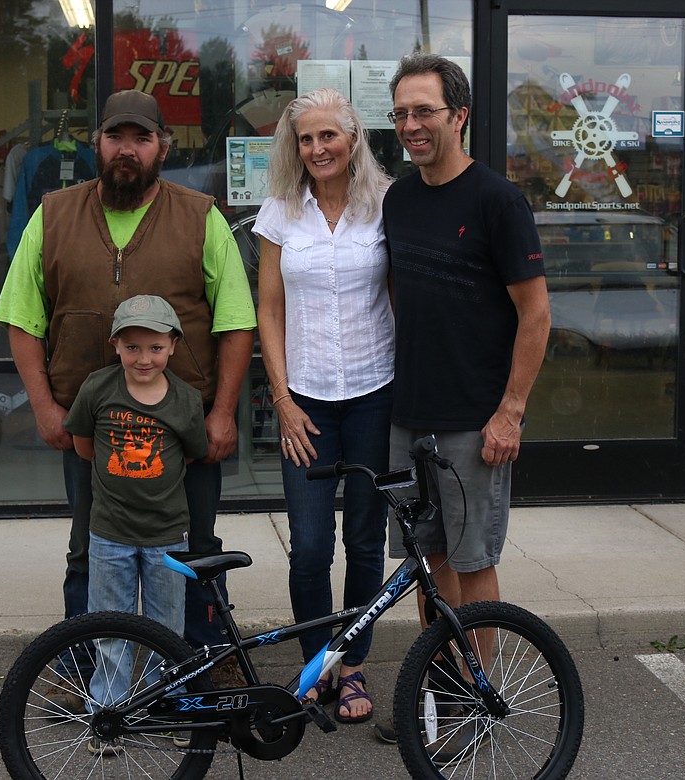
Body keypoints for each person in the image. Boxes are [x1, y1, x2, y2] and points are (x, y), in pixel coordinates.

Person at [0, 90, 257, 709]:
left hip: (181, 436)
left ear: (162, 145)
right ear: (98, 144)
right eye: (116, 138)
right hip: (90, 434)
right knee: (89, 550)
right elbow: (21, 320)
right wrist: (43, 408)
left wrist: (221, 413)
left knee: (190, 552)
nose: (127, 151)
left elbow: (236, 321)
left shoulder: (201, 217)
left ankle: (195, 669)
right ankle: (85, 669)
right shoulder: (52, 215)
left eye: (141, 139)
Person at [373, 54, 551, 746]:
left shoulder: (497, 202)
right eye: (402, 113)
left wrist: (510, 411)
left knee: (472, 564)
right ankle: (437, 698)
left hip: (474, 424)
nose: (411, 126)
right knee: (428, 563)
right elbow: (398, 296)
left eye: (425, 111)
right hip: (409, 415)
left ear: (459, 115)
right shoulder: (400, 199)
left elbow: (535, 316)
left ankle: (480, 702)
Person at [253, 87, 394, 725]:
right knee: (310, 546)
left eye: (328, 136)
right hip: (304, 400)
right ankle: (316, 663)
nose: (317, 149)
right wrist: (282, 401)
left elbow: (401, 295)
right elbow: (269, 309)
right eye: (306, 139)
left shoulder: (387, 206)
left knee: (365, 542)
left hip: (373, 395)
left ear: (353, 137)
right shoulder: (280, 213)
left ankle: (354, 664)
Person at [62, 296, 208, 722]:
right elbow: (83, 446)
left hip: (167, 535)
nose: (144, 358)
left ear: (173, 345)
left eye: (155, 348)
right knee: (110, 629)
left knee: (168, 631)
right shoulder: (98, 388)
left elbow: (194, 454)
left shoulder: (185, 400)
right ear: (115, 345)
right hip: (109, 533)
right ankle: (109, 711)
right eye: (133, 347)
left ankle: (167, 706)